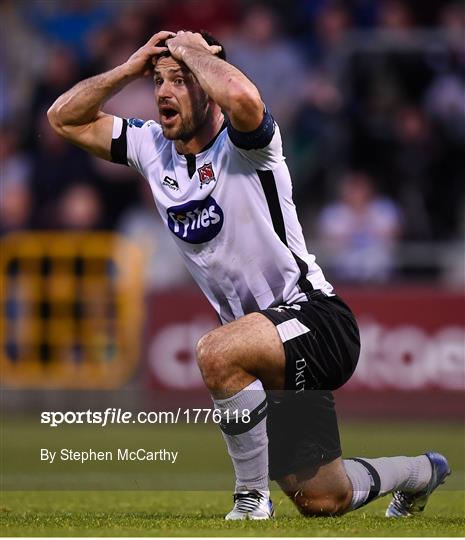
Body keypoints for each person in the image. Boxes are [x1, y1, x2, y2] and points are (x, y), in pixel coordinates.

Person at [47, 29, 450, 520]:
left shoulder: (248, 146)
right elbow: (63, 119)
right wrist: (129, 68)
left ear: (208, 82)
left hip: (317, 320)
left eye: (180, 79)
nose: (163, 93)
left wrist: (197, 52)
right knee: (324, 497)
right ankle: (421, 472)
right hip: (262, 352)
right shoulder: (151, 148)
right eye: (159, 81)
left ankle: (250, 502)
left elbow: (241, 96)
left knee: (216, 351)